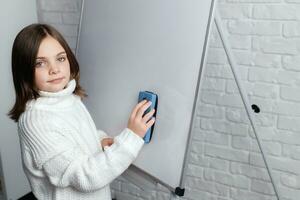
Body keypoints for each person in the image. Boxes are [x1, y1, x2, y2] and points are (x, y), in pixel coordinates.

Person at [8, 23, 155, 200]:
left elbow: (76, 136)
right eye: (40, 63)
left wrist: (100, 140)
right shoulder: (35, 121)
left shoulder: (66, 98)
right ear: (24, 71)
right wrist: (132, 137)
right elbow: (85, 176)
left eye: (60, 58)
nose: (54, 69)